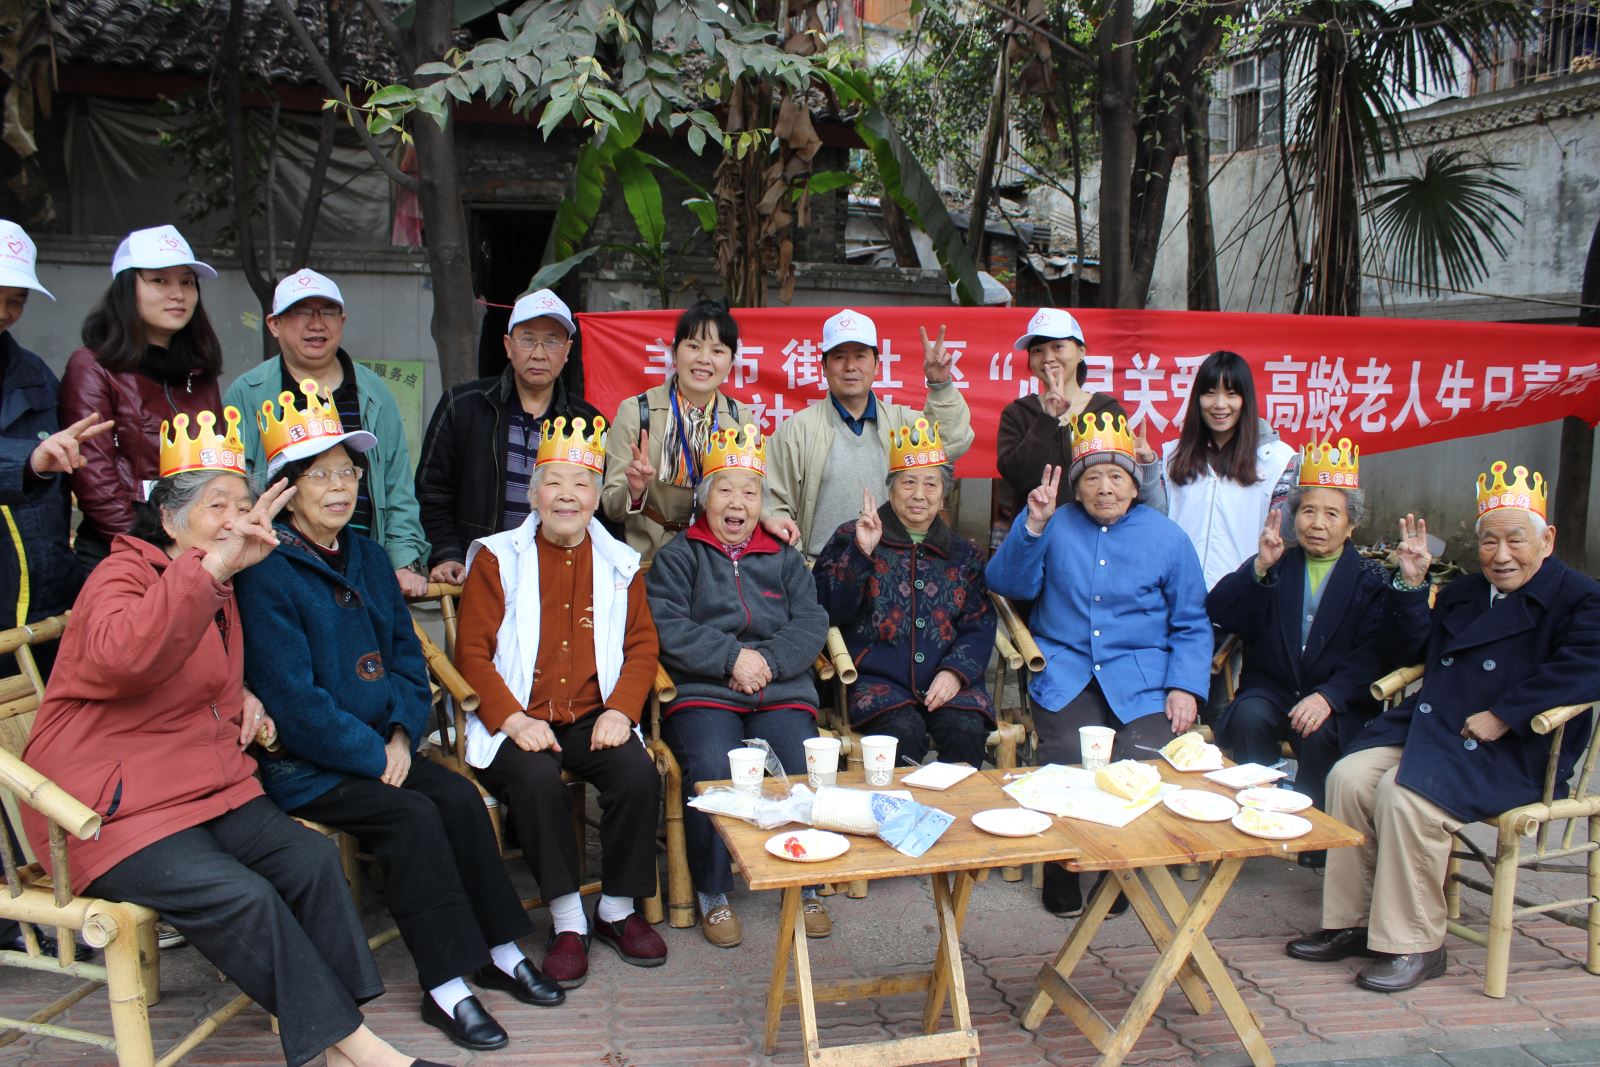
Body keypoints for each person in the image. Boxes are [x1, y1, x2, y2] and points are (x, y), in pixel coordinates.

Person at [19, 406, 447, 1067]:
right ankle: (365, 1052)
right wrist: (214, 567)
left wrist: (241, 691)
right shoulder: (122, 575)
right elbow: (126, 657)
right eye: (216, 506)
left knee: (311, 863)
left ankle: (340, 1043)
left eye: (243, 506)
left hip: (205, 787)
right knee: (245, 896)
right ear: (168, 519)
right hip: (109, 811)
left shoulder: (222, 581)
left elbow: (212, 667)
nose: (234, 520)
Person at [235, 380, 560, 1054]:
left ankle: (500, 950)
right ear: (286, 488)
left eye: (347, 472)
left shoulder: (368, 554)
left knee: (460, 800)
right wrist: (371, 753)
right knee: (412, 817)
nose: (339, 487)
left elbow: (410, 660)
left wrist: (404, 734)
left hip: (388, 746)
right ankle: (446, 985)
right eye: (320, 474)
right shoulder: (266, 569)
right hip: (311, 766)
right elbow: (293, 701)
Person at [1287, 461, 1600, 994]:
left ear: (1546, 540)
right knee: (1349, 776)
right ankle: (1353, 922)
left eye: (1516, 540)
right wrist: (1411, 585)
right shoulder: (1465, 592)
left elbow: (1584, 667)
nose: (1501, 555)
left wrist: (1507, 713)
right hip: (1437, 727)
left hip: (1518, 749)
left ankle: (1415, 943)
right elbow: (1409, 652)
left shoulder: (1580, 597)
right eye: (1489, 541)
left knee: (1403, 795)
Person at [454, 414, 667, 990]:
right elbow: (471, 653)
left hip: (592, 713)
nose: (567, 495)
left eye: (581, 483)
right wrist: (511, 719)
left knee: (637, 775)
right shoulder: (497, 558)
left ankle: (616, 911)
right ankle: (569, 920)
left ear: (598, 497)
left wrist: (621, 710)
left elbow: (642, 646)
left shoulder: (619, 562)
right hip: (518, 714)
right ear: (533, 494)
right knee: (535, 781)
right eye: (553, 482)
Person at [986, 411, 1211, 918]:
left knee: (1138, 760)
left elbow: (1192, 621)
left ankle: (1116, 871)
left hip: (1144, 680)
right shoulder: (1055, 523)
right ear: (1076, 485)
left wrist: (1185, 686)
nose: (1104, 488)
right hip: (1068, 673)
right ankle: (1063, 867)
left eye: (1116, 476)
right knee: (1070, 755)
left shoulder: (1168, 537)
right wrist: (1033, 525)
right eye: (1091, 477)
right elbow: (1005, 583)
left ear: (1134, 485)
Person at [645, 424, 830, 948]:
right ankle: (713, 892)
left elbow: (811, 621)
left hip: (779, 688)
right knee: (710, 769)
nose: (737, 503)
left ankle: (806, 882)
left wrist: (766, 661)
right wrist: (730, 658)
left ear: (761, 503)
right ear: (704, 500)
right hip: (706, 692)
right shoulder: (679, 556)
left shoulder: (783, 557)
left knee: (801, 765)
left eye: (749, 492)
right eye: (724, 489)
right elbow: (665, 624)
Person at [1205, 438, 1432, 826]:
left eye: (1332, 513)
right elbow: (1221, 613)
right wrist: (1258, 568)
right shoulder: (1277, 563)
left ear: (1351, 524)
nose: (1318, 523)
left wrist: (1329, 696)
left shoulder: (1371, 579)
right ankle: (1255, 818)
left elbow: (1384, 652)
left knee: (1320, 731)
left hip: (1338, 699)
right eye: (1308, 510)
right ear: (1294, 516)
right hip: (1272, 690)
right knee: (1248, 716)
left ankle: (1315, 832)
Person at [0, 219, 112, 961]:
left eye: (16, 297)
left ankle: (41, 898)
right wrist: (28, 460)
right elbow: (37, 463)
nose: (8, 310)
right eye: (0, 294)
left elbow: (56, 492)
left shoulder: (33, 373)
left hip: (33, 594)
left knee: (35, 751)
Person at [225, 269, 430, 596]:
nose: (316, 323)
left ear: (342, 321)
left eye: (328, 312)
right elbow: (234, 486)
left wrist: (404, 561)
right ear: (274, 324)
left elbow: (397, 485)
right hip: (277, 568)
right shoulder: (248, 393)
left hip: (365, 566)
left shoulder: (374, 392)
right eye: (301, 312)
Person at [813, 418, 997, 769]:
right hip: (875, 681)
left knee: (965, 730)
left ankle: (952, 805)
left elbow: (980, 624)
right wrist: (861, 554)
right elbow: (825, 609)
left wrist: (955, 672)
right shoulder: (852, 535)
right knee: (901, 733)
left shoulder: (964, 553)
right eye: (908, 482)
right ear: (891, 487)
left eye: (931, 484)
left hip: (949, 680)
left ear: (944, 492)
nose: (919, 494)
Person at [59, 224, 225, 566]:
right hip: (121, 552)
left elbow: (217, 466)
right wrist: (152, 555)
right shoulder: (92, 366)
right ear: (126, 288)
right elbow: (96, 482)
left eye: (187, 282)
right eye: (159, 280)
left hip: (196, 551)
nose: (177, 294)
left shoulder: (199, 372)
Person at [417, 289, 601, 586]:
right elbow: (432, 492)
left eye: (552, 341)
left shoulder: (587, 422)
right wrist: (448, 553)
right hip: (477, 575)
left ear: (567, 350)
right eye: (527, 339)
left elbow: (598, 509)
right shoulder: (462, 406)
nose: (539, 353)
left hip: (557, 580)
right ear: (508, 345)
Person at [765, 309, 974, 559]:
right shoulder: (796, 431)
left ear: (876, 364)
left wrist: (940, 385)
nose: (850, 366)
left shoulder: (903, 424)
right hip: (820, 570)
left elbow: (950, 442)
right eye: (839, 357)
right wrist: (799, 569)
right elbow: (775, 505)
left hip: (893, 568)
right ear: (823, 367)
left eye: (860, 356)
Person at [1139, 350, 1298, 591]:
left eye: (1231, 394)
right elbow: (1154, 524)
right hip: (1179, 597)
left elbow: (1286, 535)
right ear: (1197, 399)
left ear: (1245, 399)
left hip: (1245, 596)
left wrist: (1304, 487)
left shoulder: (1279, 459)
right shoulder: (1173, 455)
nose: (1220, 404)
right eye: (1210, 393)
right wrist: (1149, 466)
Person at [601, 300, 746, 561]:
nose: (704, 359)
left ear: (731, 361)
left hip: (714, 560)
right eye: (693, 346)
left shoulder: (740, 418)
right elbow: (611, 507)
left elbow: (750, 497)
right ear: (674, 352)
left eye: (717, 350)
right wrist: (634, 490)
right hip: (647, 558)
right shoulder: (636, 412)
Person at [996, 308, 1131, 506]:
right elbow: (1017, 478)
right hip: (1036, 524)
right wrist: (1047, 420)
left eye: (1057, 347)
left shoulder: (1107, 412)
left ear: (1081, 352)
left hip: (1093, 524)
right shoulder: (1017, 413)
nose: (1048, 358)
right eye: (1037, 351)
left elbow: (1119, 481)